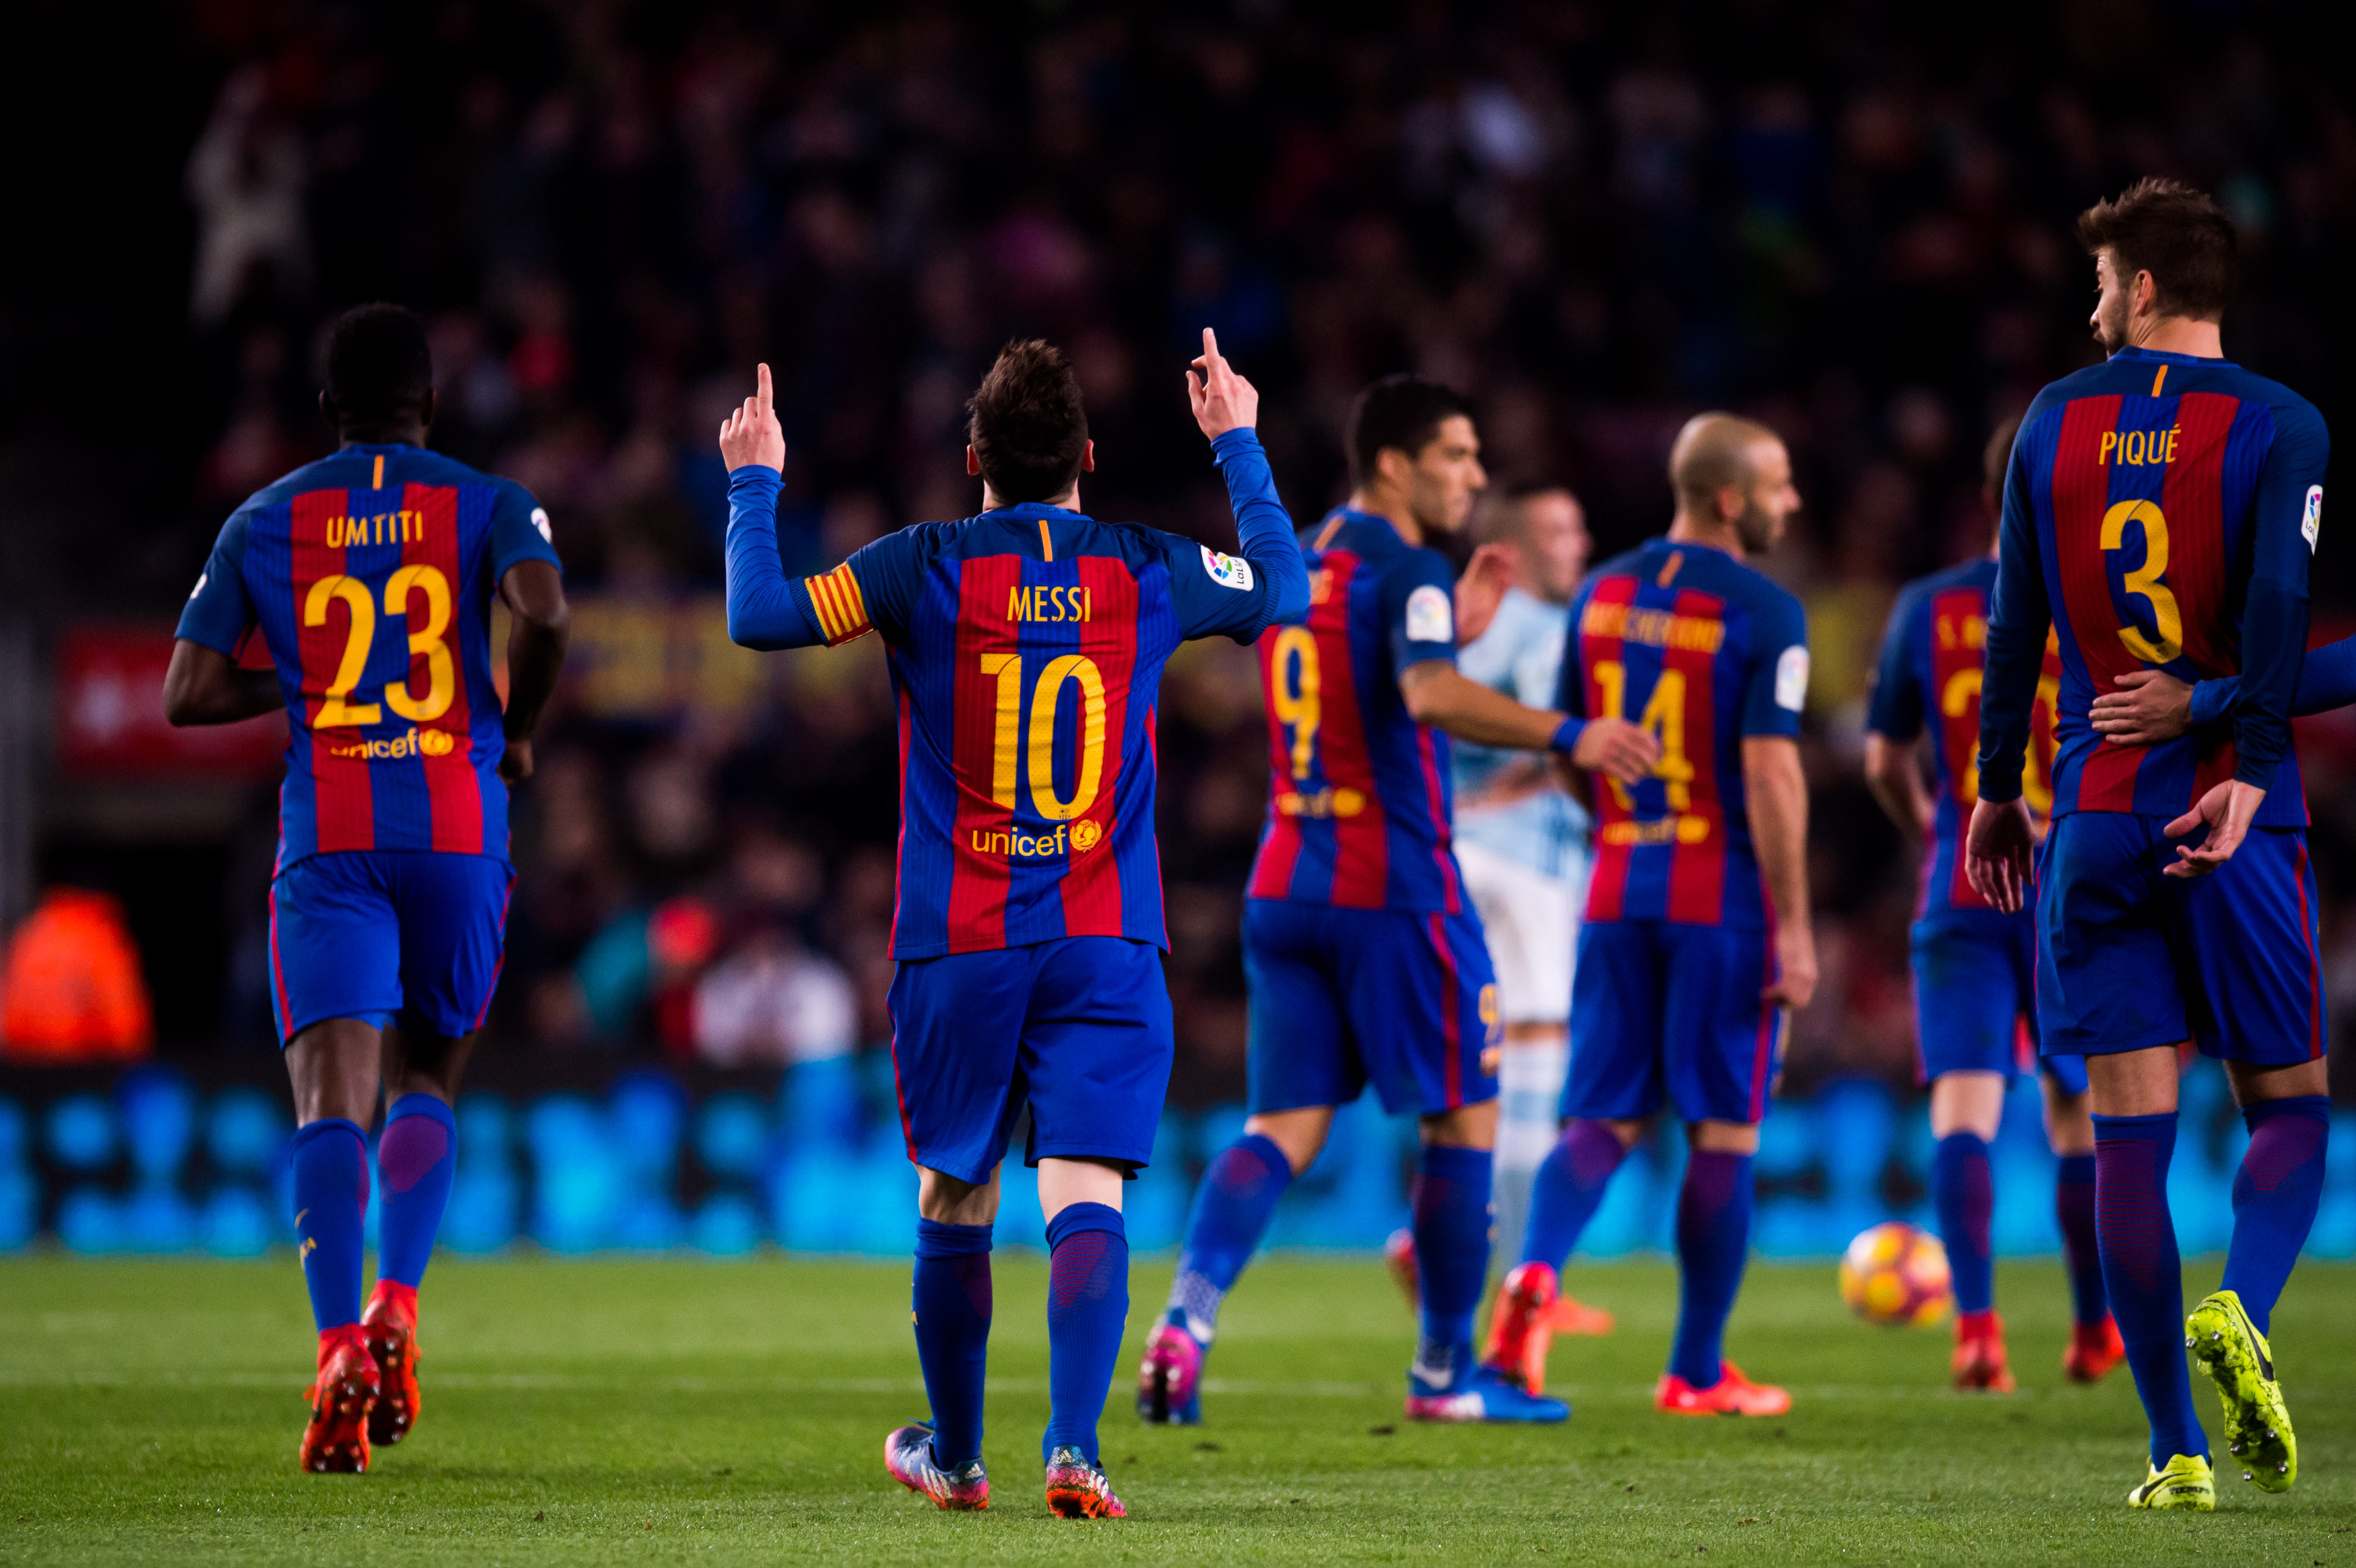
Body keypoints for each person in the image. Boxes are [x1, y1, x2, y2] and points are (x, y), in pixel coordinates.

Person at [721, 333, 1309, 1518]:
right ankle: (1076, 1447)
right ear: (1089, 455)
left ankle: (954, 1451)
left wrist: (754, 479)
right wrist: (1237, 439)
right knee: (1087, 1186)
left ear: (974, 456)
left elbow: (760, 617)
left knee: (958, 1193)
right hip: (1105, 932)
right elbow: (1285, 589)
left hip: (962, 939)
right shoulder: (1150, 566)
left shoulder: (916, 565)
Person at [1139, 376, 1657, 1429]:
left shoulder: (1308, 556)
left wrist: (1448, 630)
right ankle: (1443, 1379)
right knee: (1464, 1116)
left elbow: (1368, 679)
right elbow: (1423, 696)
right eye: (1457, 456)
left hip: (1288, 875)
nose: (1474, 476)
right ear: (1394, 463)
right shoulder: (1406, 563)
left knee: (1280, 1124)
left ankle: (1186, 1319)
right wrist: (1570, 734)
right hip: (1396, 886)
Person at [1966, 178, 2330, 1513]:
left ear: (2149, 290)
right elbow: (2282, 610)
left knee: (2130, 1141)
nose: (2093, 302)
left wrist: (1997, 790)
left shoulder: (2053, 418)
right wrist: (2243, 746)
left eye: (2106, 279)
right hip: (2230, 808)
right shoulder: (2283, 424)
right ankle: (2241, 1306)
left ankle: (2174, 1454)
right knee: (2288, 1109)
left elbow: (2014, 624)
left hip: (2092, 811)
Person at [164, 302, 571, 1474]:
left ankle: (339, 1338)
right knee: (431, 1074)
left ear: (327, 411)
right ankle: (399, 1298)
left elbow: (188, 693)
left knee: (329, 1102)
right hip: (456, 829)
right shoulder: (485, 498)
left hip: (332, 837)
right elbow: (544, 611)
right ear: (431, 404)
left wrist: (298, 690)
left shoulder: (267, 514)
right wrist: (523, 726)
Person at [1480, 412, 1816, 1419]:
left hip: (1618, 887)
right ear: (1729, 498)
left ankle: (1531, 1283)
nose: (1791, 502)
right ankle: (1697, 1369)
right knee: (1722, 1133)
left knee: (1601, 1116)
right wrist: (1795, 923)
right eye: (1779, 485)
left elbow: (1569, 751)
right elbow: (1770, 773)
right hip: (1721, 897)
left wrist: (1624, 823)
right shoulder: (1766, 610)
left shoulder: (1602, 592)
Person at [1862, 417, 2124, 1392]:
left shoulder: (1925, 607)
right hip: (2075, 878)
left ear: (1986, 499)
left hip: (1964, 879)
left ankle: (1976, 1331)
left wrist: (1935, 826)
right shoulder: (2100, 605)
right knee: (2077, 1111)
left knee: (1961, 1110)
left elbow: (1883, 756)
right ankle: (2094, 1332)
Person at [1386, 486, 1612, 1337]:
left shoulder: (1448, 629)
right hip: (1525, 871)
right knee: (1532, 1079)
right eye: (1559, 530)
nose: (1578, 543)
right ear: (1514, 547)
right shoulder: (1547, 632)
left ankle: (1436, 1239)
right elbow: (1556, 742)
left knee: (1469, 1075)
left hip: (1447, 863)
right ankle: (1521, 1286)